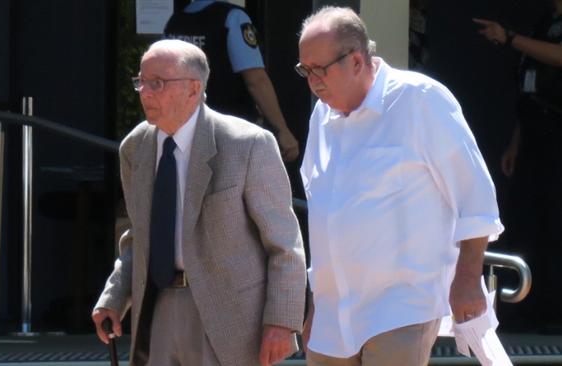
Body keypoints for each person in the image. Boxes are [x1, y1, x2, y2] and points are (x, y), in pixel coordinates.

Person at [296, 7, 504, 365]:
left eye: (320, 69)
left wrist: (468, 278)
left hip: (400, 307)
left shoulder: (420, 98)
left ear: (357, 61)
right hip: (334, 316)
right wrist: (318, 302)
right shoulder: (322, 115)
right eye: (305, 70)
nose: (312, 80)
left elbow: (475, 197)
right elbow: (324, 216)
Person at [91, 39, 306, 366]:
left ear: (194, 89)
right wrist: (114, 297)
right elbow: (140, 237)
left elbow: (284, 243)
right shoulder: (134, 148)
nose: (145, 92)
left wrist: (282, 321)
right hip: (159, 308)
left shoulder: (247, 144)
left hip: (231, 318)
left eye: (157, 83)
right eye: (141, 82)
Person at [474, 0, 562, 332]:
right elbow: (532, 89)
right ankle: (527, 310)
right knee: (527, 220)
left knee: (555, 223)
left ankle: (555, 314)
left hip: (558, 137)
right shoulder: (545, 20)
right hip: (534, 136)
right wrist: (515, 143)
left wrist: (510, 38)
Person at [163, 0, 300, 162]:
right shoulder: (233, 18)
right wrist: (282, 129)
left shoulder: (174, 22)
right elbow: (256, 80)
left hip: (183, 130)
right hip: (231, 130)